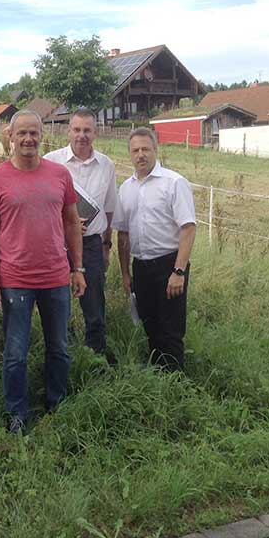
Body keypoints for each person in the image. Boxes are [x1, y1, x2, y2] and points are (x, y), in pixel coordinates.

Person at [0, 109, 86, 433]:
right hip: (15, 281)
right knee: (16, 353)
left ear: (42, 135)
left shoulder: (59, 175)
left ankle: (56, 404)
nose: (27, 139)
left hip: (55, 277)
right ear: (9, 135)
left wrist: (77, 268)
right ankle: (17, 413)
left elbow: (71, 222)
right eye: (21, 133)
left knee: (60, 349)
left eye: (33, 133)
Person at [113, 127, 197, 371]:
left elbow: (188, 228)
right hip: (141, 267)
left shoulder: (174, 183)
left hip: (169, 265)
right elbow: (123, 234)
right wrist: (126, 273)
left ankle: (175, 385)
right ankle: (158, 376)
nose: (141, 155)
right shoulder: (126, 189)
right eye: (135, 150)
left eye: (145, 149)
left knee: (170, 329)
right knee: (150, 326)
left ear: (155, 150)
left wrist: (178, 271)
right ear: (129, 154)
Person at [43, 108, 116, 354]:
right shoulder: (50, 161)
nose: (81, 135)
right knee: (56, 302)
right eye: (77, 129)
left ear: (95, 132)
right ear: (68, 131)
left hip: (91, 245)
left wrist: (107, 246)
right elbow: (41, 205)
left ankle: (96, 357)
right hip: (57, 244)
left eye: (87, 130)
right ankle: (59, 354)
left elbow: (108, 210)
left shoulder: (106, 165)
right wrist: (66, 225)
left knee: (94, 305)